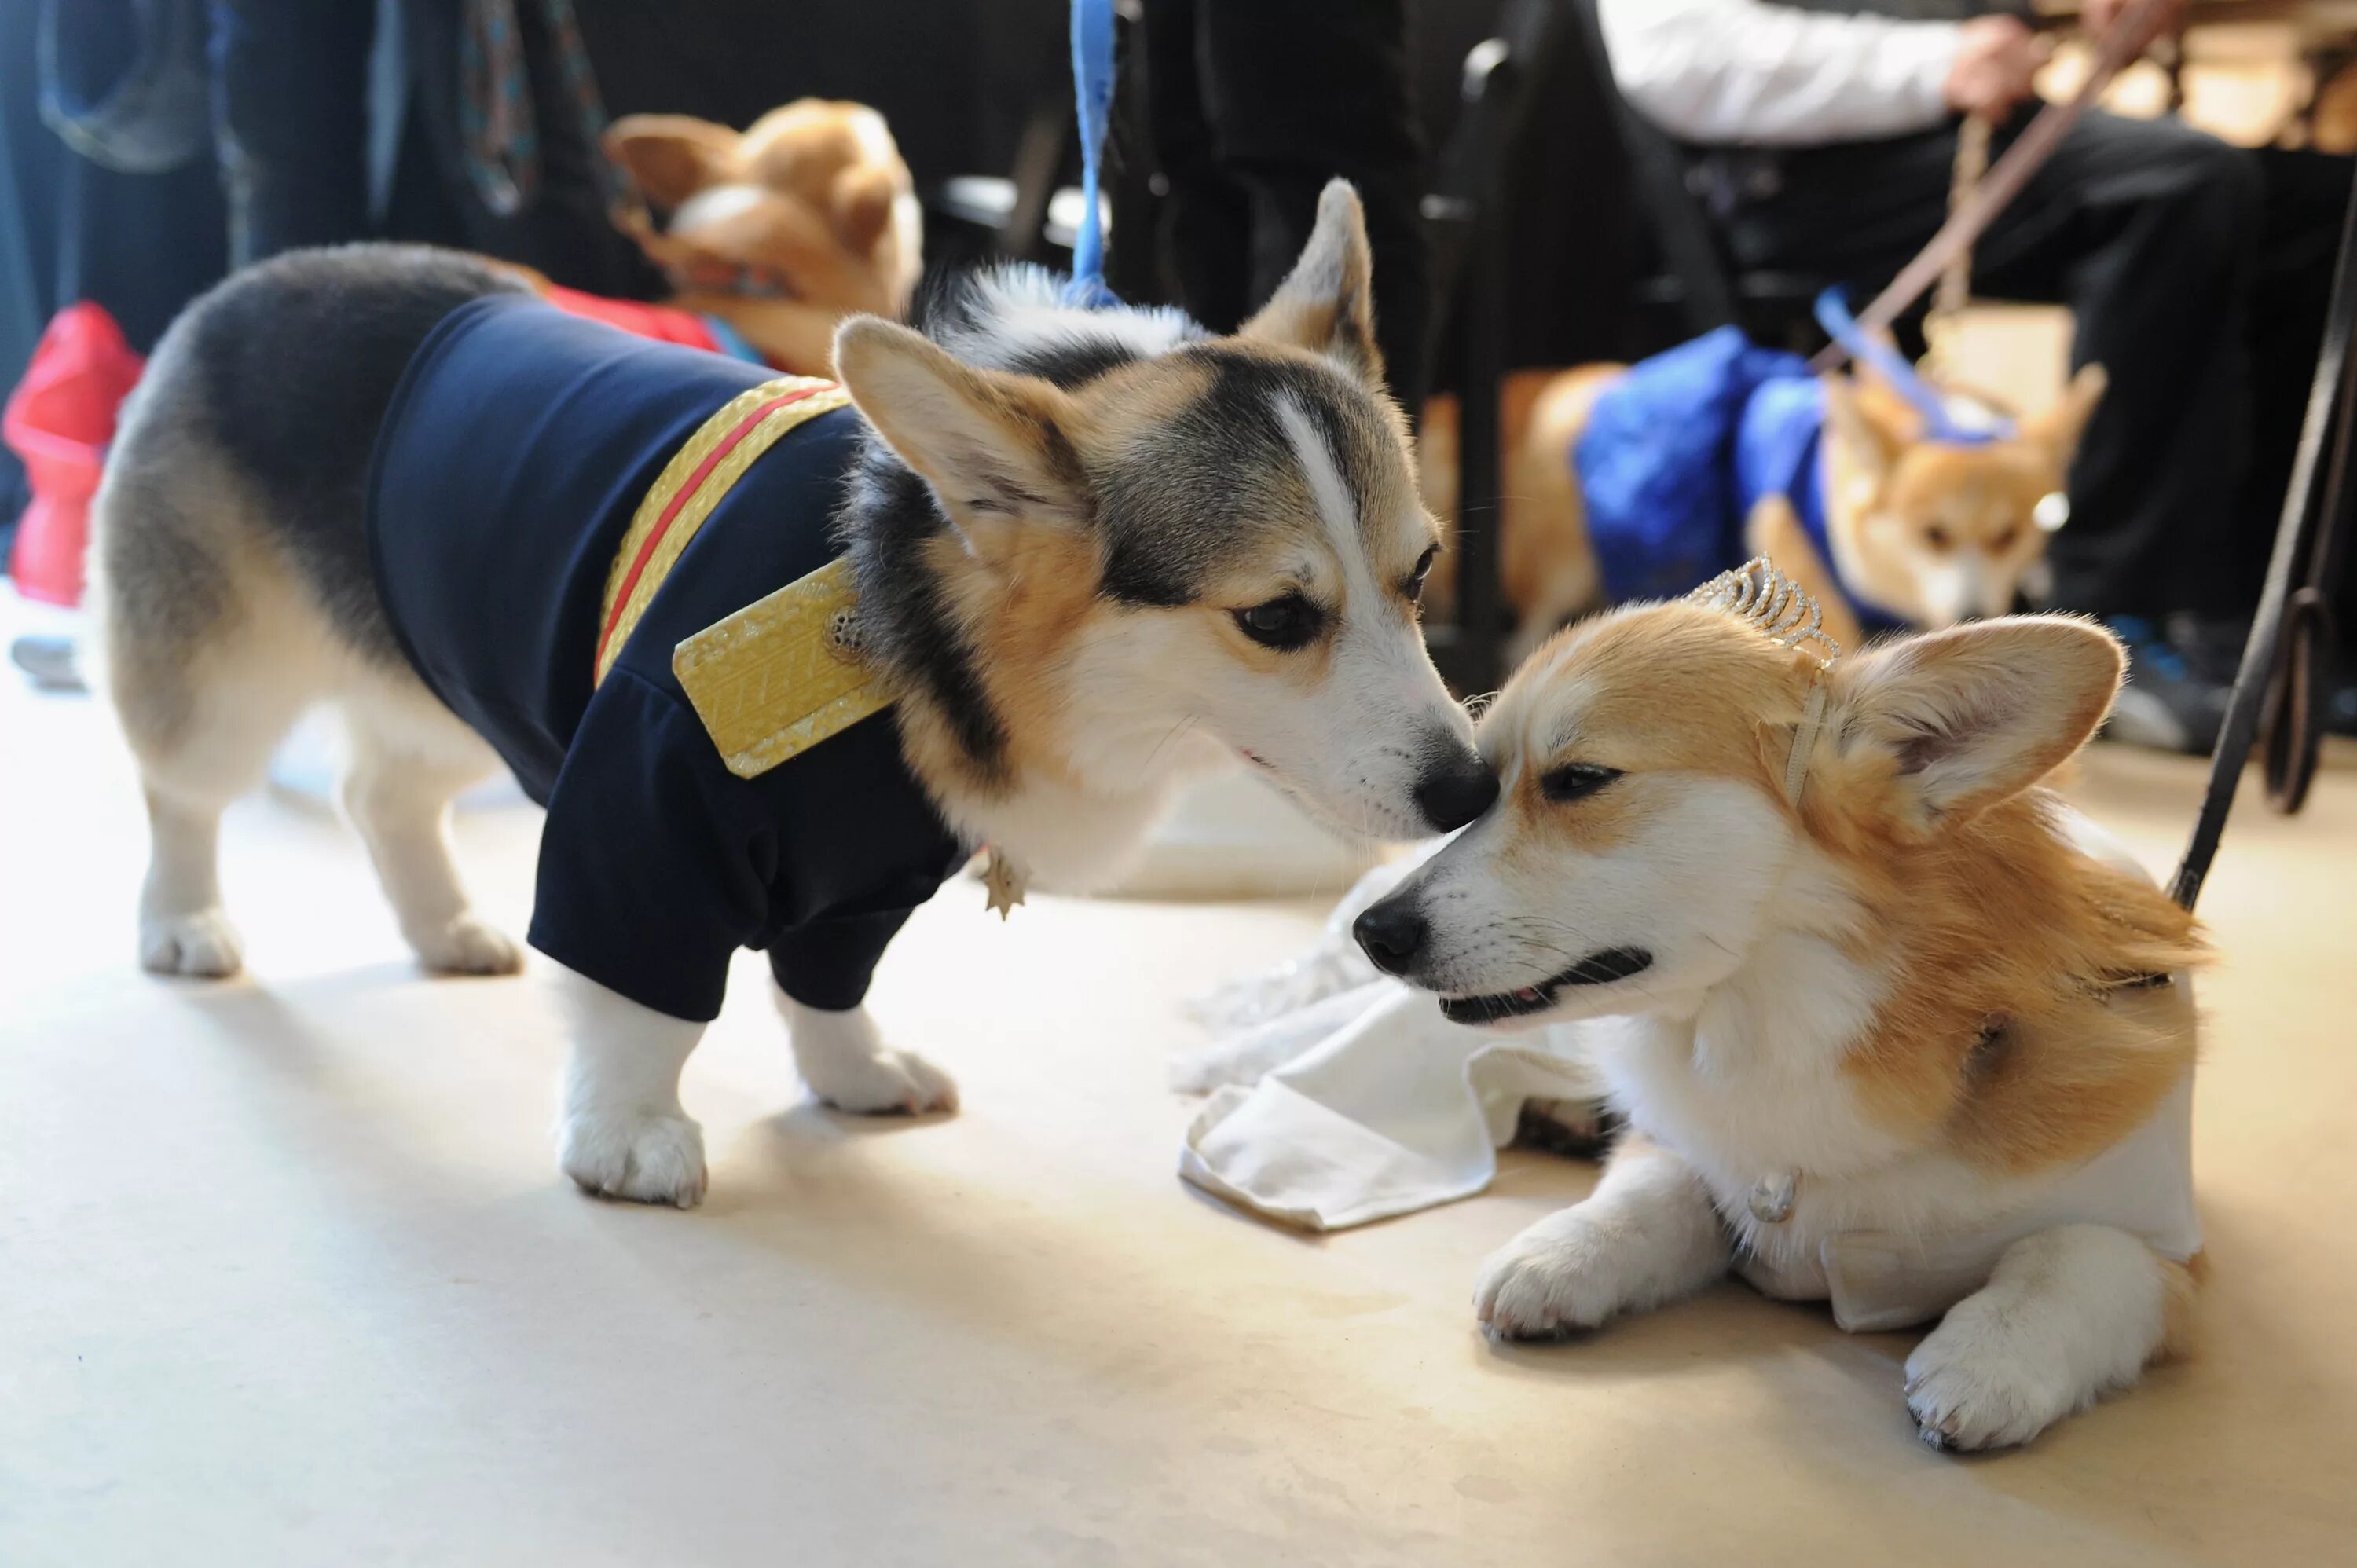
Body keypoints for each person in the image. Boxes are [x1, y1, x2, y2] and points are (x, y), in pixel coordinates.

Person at [1593, 0, 2351, 753]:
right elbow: (1668, 54)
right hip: (1797, 162)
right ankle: (2119, 614)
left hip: (1969, 117)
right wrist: (1930, 64)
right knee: (2179, 182)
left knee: (2331, 209)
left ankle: (2270, 621)